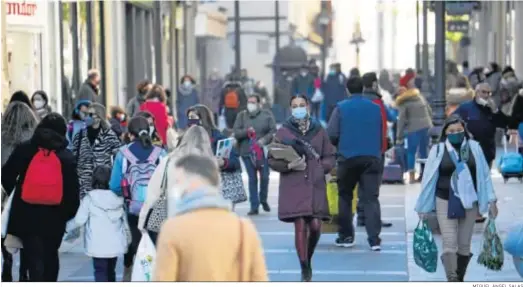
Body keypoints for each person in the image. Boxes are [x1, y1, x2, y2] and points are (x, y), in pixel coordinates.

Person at [154, 154, 268, 282]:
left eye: (178, 181)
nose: (175, 187)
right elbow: (259, 279)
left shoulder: (173, 229)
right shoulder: (244, 228)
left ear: (192, 183)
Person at [415, 115, 498, 282]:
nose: (456, 134)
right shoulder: (437, 150)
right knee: (449, 242)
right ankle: (452, 279)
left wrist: (492, 200)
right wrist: (423, 207)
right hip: (444, 200)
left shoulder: (474, 148)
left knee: (464, 244)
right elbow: (428, 180)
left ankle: (459, 278)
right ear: (445, 132)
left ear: (465, 131)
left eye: (460, 130)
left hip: (470, 201)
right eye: (452, 131)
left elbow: (484, 175)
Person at [1, 113, 80, 281]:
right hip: (55, 216)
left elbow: (6, 176)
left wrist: (17, 196)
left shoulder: (24, 149)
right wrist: (67, 214)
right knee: (51, 255)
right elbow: (73, 192)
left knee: (33, 257)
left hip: (26, 214)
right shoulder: (66, 156)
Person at [267, 95, 336, 281]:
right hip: (294, 184)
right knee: (300, 224)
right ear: (290, 109)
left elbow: (330, 154)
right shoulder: (284, 132)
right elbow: (272, 158)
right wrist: (290, 166)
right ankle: (304, 267)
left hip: (315, 183)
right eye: (295, 106)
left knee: (315, 226)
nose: (298, 108)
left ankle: (308, 258)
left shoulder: (318, 130)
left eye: (301, 105)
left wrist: (323, 167)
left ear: (307, 107)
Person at [327, 76, 383, 251]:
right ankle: (374, 240)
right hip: (372, 158)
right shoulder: (375, 108)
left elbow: (332, 134)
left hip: (348, 158)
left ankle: (346, 236)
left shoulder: (340, 108)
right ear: (363, 89)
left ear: (348, 90)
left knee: (345, 196)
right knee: (371, 199)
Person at [109, 116, 167, 281]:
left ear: (130, 134)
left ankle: (134, 275)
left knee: (135, 244)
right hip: (157, 207)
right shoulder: (160, 153)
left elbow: (114, 185)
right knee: (157, 244)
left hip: (134, 208)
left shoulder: (123, 154)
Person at [66, 165, 129, 282]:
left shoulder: (89, 198)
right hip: (115, 243)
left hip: (97, 244)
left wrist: (65, 228)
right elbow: (125, 221)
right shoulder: (119, 199)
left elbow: (79, 220)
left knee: (100, 271)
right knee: (111, 270)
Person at [1, 101, 38, 281]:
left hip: (4, 194)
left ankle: (6, 264)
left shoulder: (2, 138)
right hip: (28, 193)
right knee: (26, 234)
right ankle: (25, 272)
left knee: (4, 232)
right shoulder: (34, 139)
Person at [233, 94, 277, 215]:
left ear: (258, 104)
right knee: (252, 179)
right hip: (246, 152)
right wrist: (246, 132)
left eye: (253, 102)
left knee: (265, 177)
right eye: (249, 102)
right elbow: (236, 133)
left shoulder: (267, 115)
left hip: (262, 152)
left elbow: (273, 131)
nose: (250, 105)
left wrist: (263, 141)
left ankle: (263, 199)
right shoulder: (241, 116)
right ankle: (254, 206)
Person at [360, 72, 393, 228]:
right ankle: (371, 219)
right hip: (375, 150)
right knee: (373, 188)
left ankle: (361, 216)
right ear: (374, 84)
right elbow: (386, 121)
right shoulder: (377, 102)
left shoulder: (357, 100)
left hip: (358, 149)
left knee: (361, 184)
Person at [72, 103, 121, 198]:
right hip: (83, 184)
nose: (87, 117)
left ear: (99, 117)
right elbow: (74, 156)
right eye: (86, 114)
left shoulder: (109, 135)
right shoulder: (80, 135)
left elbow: (117, 158)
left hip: (102, 183)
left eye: (90, 114)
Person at [396, 71, 433, 183]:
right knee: (424, 151)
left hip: (414, 128)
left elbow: (401, 120)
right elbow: (429, 110)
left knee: (411, 152)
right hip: (427, 126)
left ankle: (411, 177)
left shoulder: (404, 100)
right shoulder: (419, 96)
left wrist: (399, 136)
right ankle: (424, 174)